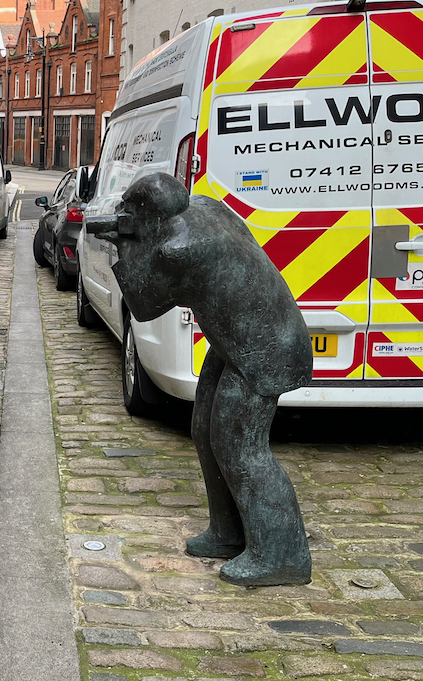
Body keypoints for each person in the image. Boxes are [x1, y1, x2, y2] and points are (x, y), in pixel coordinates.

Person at [91, 172, 313, 586]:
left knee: (239, 446)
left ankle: (282, 554)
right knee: (203, 428)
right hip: (237, 341)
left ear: (147, 217)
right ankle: (228, 532)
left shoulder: (180, 249)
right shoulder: (207, 207)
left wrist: (121, 247)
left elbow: (143, 304)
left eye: (128, 211)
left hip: (262, 349)